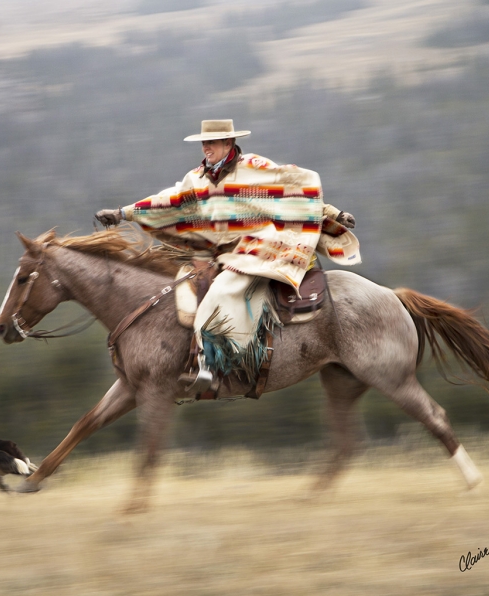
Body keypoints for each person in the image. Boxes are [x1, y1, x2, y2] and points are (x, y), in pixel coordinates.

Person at [96, 119, 361, 393]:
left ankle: (208, 366)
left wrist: (334, 213)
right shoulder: (196, 178)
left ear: (228, 143)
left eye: (211, 142)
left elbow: (295, 188)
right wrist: (122, 213)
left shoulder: (255, 167)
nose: (206, 148)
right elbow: (167, 200)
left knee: (222, 290)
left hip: (259, 246)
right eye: (204, 143)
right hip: (218, 253)